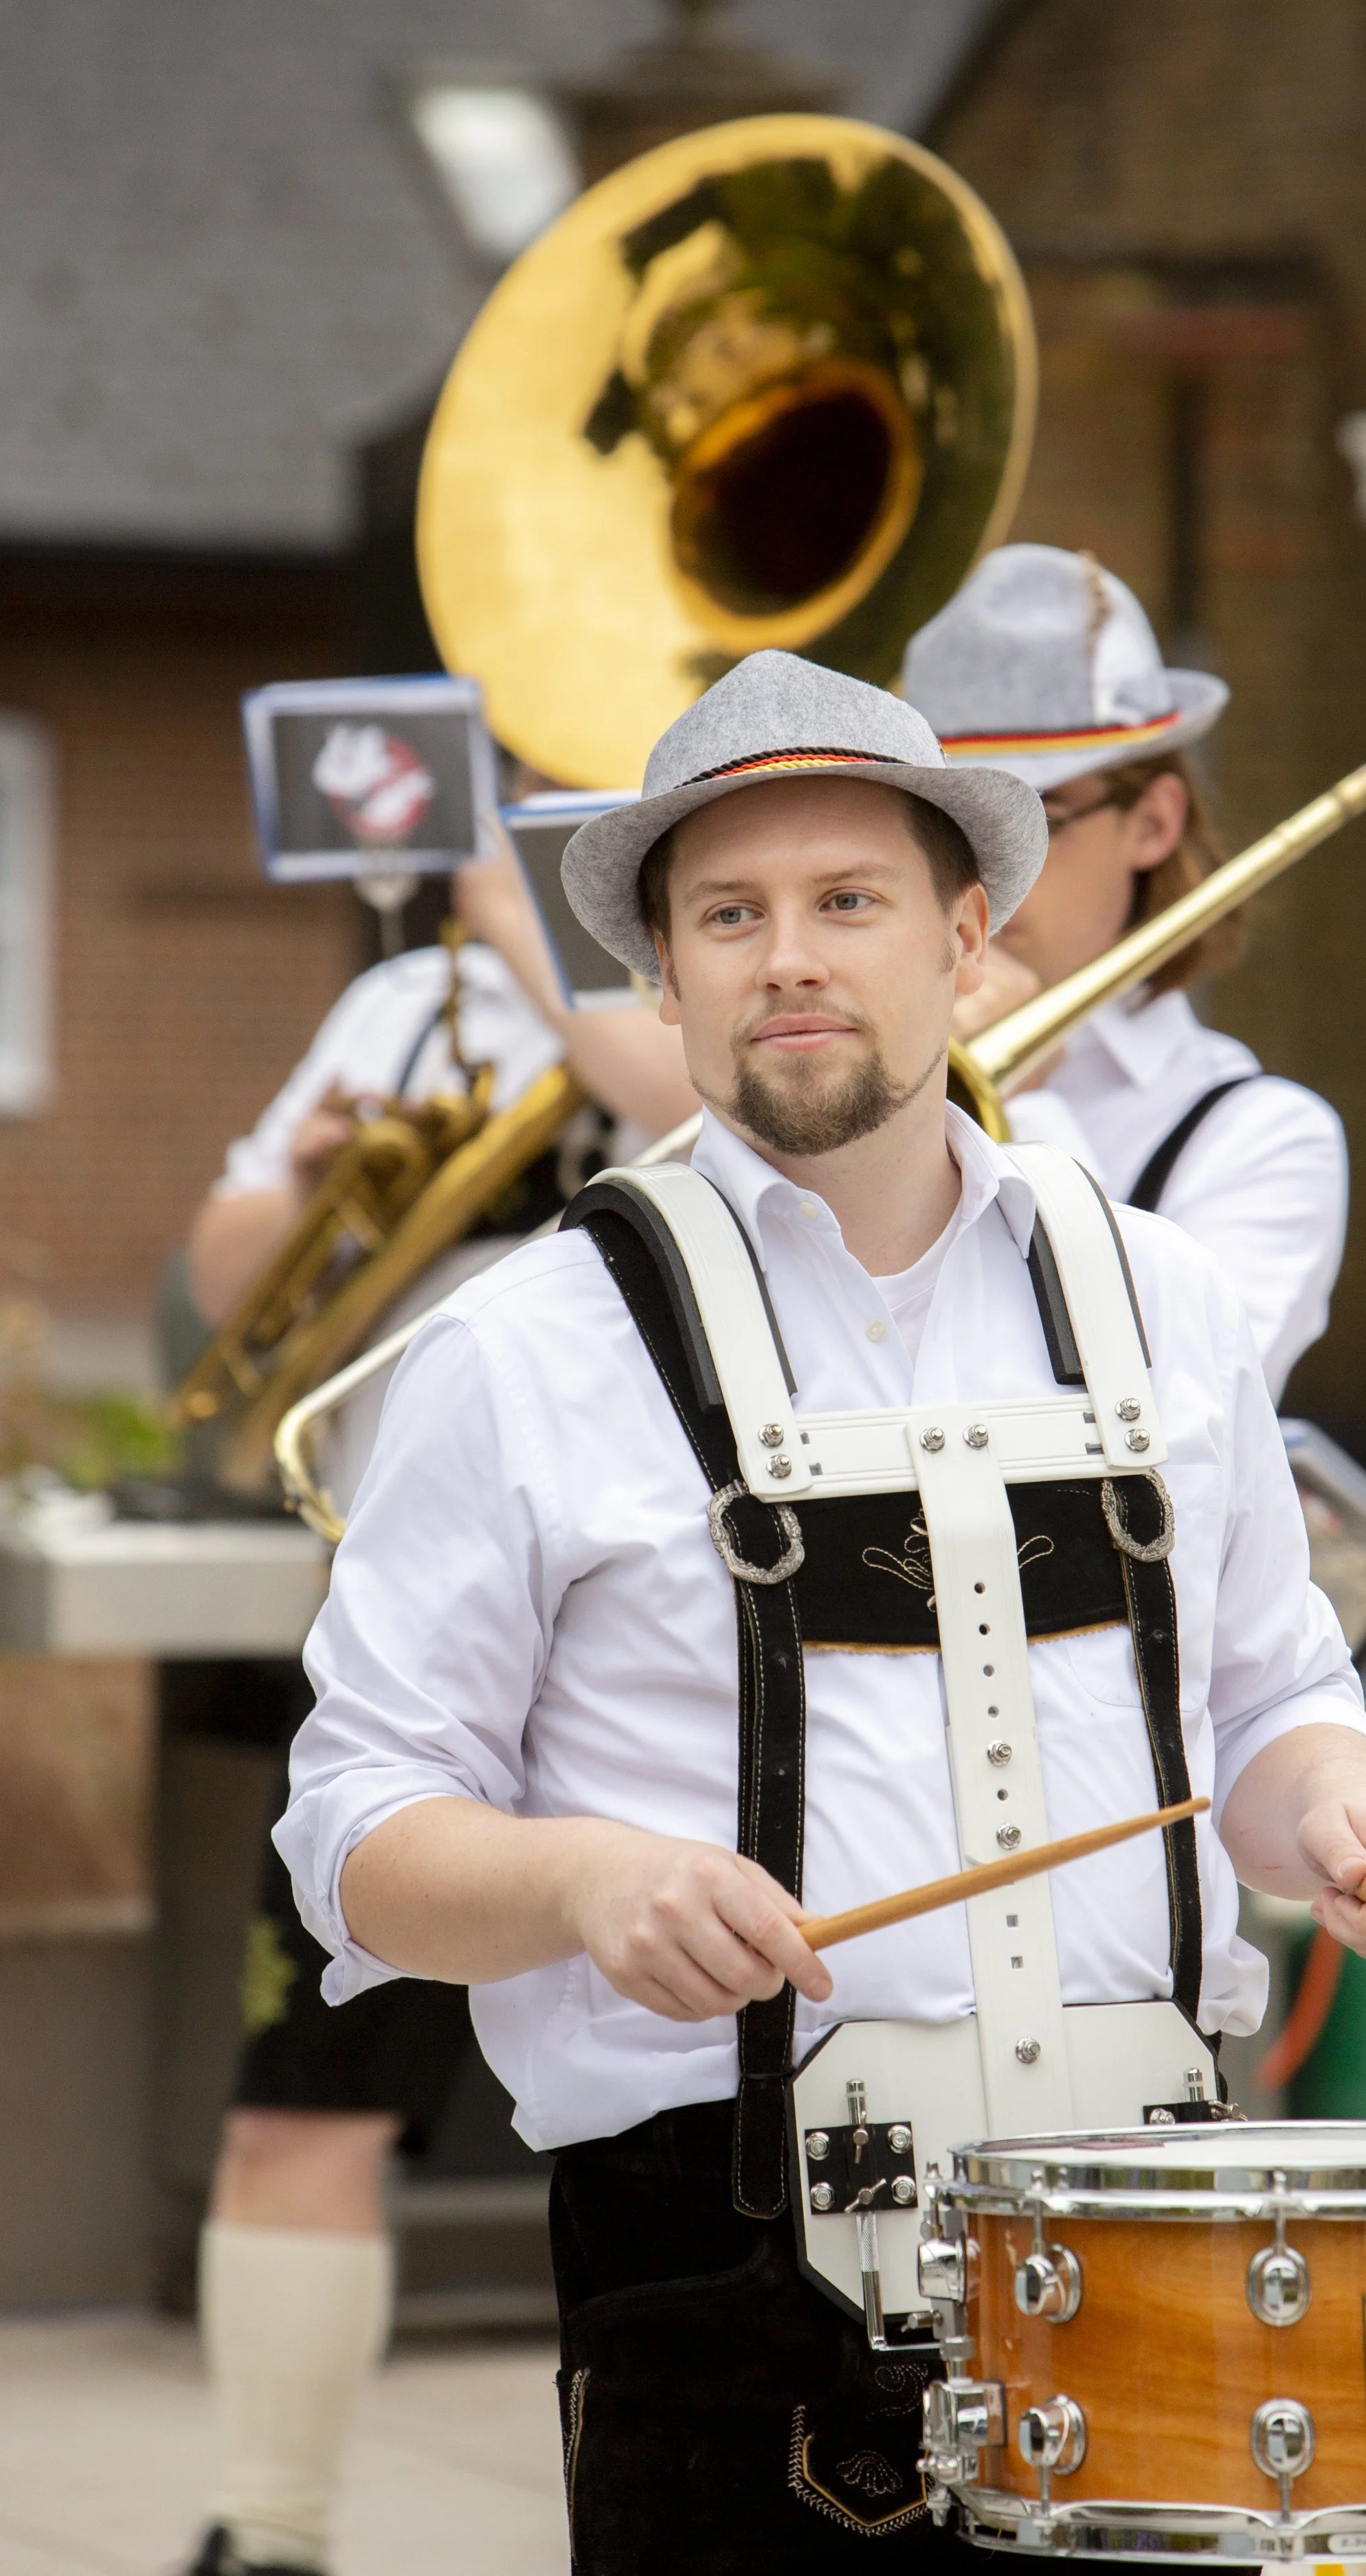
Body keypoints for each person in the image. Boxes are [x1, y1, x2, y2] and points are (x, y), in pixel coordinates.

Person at [275, 651, 1366, 2576]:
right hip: (720, 2295)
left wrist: (1338, 1811)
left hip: (1153, 2235)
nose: (786, 957)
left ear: (967, 933)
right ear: (660, 975)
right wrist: (583, 1883)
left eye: (848, 900)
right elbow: (357, 1828)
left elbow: (1265, 1703)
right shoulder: (514, 1350)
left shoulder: (1170, 1300)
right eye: (726, 915)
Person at [181, 844, 695, 2576]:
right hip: (415, 1591)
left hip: (661, 1595)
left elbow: (696, 1094)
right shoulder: (405, 1002)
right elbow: (224, 1270)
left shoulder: (692, 976)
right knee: (296, 2089)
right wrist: (318, 1186)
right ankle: (270, 2524)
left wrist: (538, 948)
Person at [903, 543, 1347, 1402]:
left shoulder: (1262, 1136)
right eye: (948, 829)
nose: (983, 877)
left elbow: (1180, 1418)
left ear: (1152, 822)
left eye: (1039, 819)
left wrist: (1010, 1104)